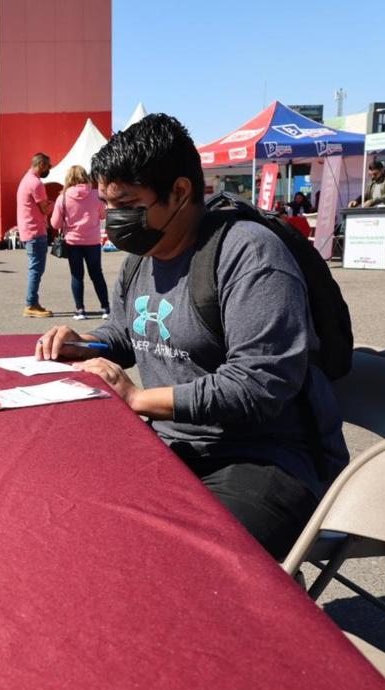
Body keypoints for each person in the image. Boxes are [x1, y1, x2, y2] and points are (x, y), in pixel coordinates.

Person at [35, 113, 347, 561]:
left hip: (263, 458)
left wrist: (138, 399)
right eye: (108, 204)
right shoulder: (142, 258)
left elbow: (259, 383)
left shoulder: (249, 254)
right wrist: (86, 344)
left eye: (127, 204)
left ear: (180, 192)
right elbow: (129, 333)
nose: (115, 219)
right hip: (171, 447)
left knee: (179, 562)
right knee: (70, 516)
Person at [50, 165, 110, 321]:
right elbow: (103, 215)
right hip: (93, 241)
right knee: (97, 274)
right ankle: (105, 308)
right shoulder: (97, 194)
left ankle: (80, 310)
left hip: (73, 242)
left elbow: (55, 224)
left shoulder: (62, 197)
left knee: (77, 276)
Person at [17, 152, 54, 318]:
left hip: (28, 230)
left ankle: (33, 302)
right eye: (48, 166)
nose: (49, 169)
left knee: (35, 268)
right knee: (36, 269)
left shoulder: (25, 180)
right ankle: (31, 304)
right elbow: (44, 208)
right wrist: (56, 203)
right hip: (35, 230)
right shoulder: (36, 183)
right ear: (41, 165)